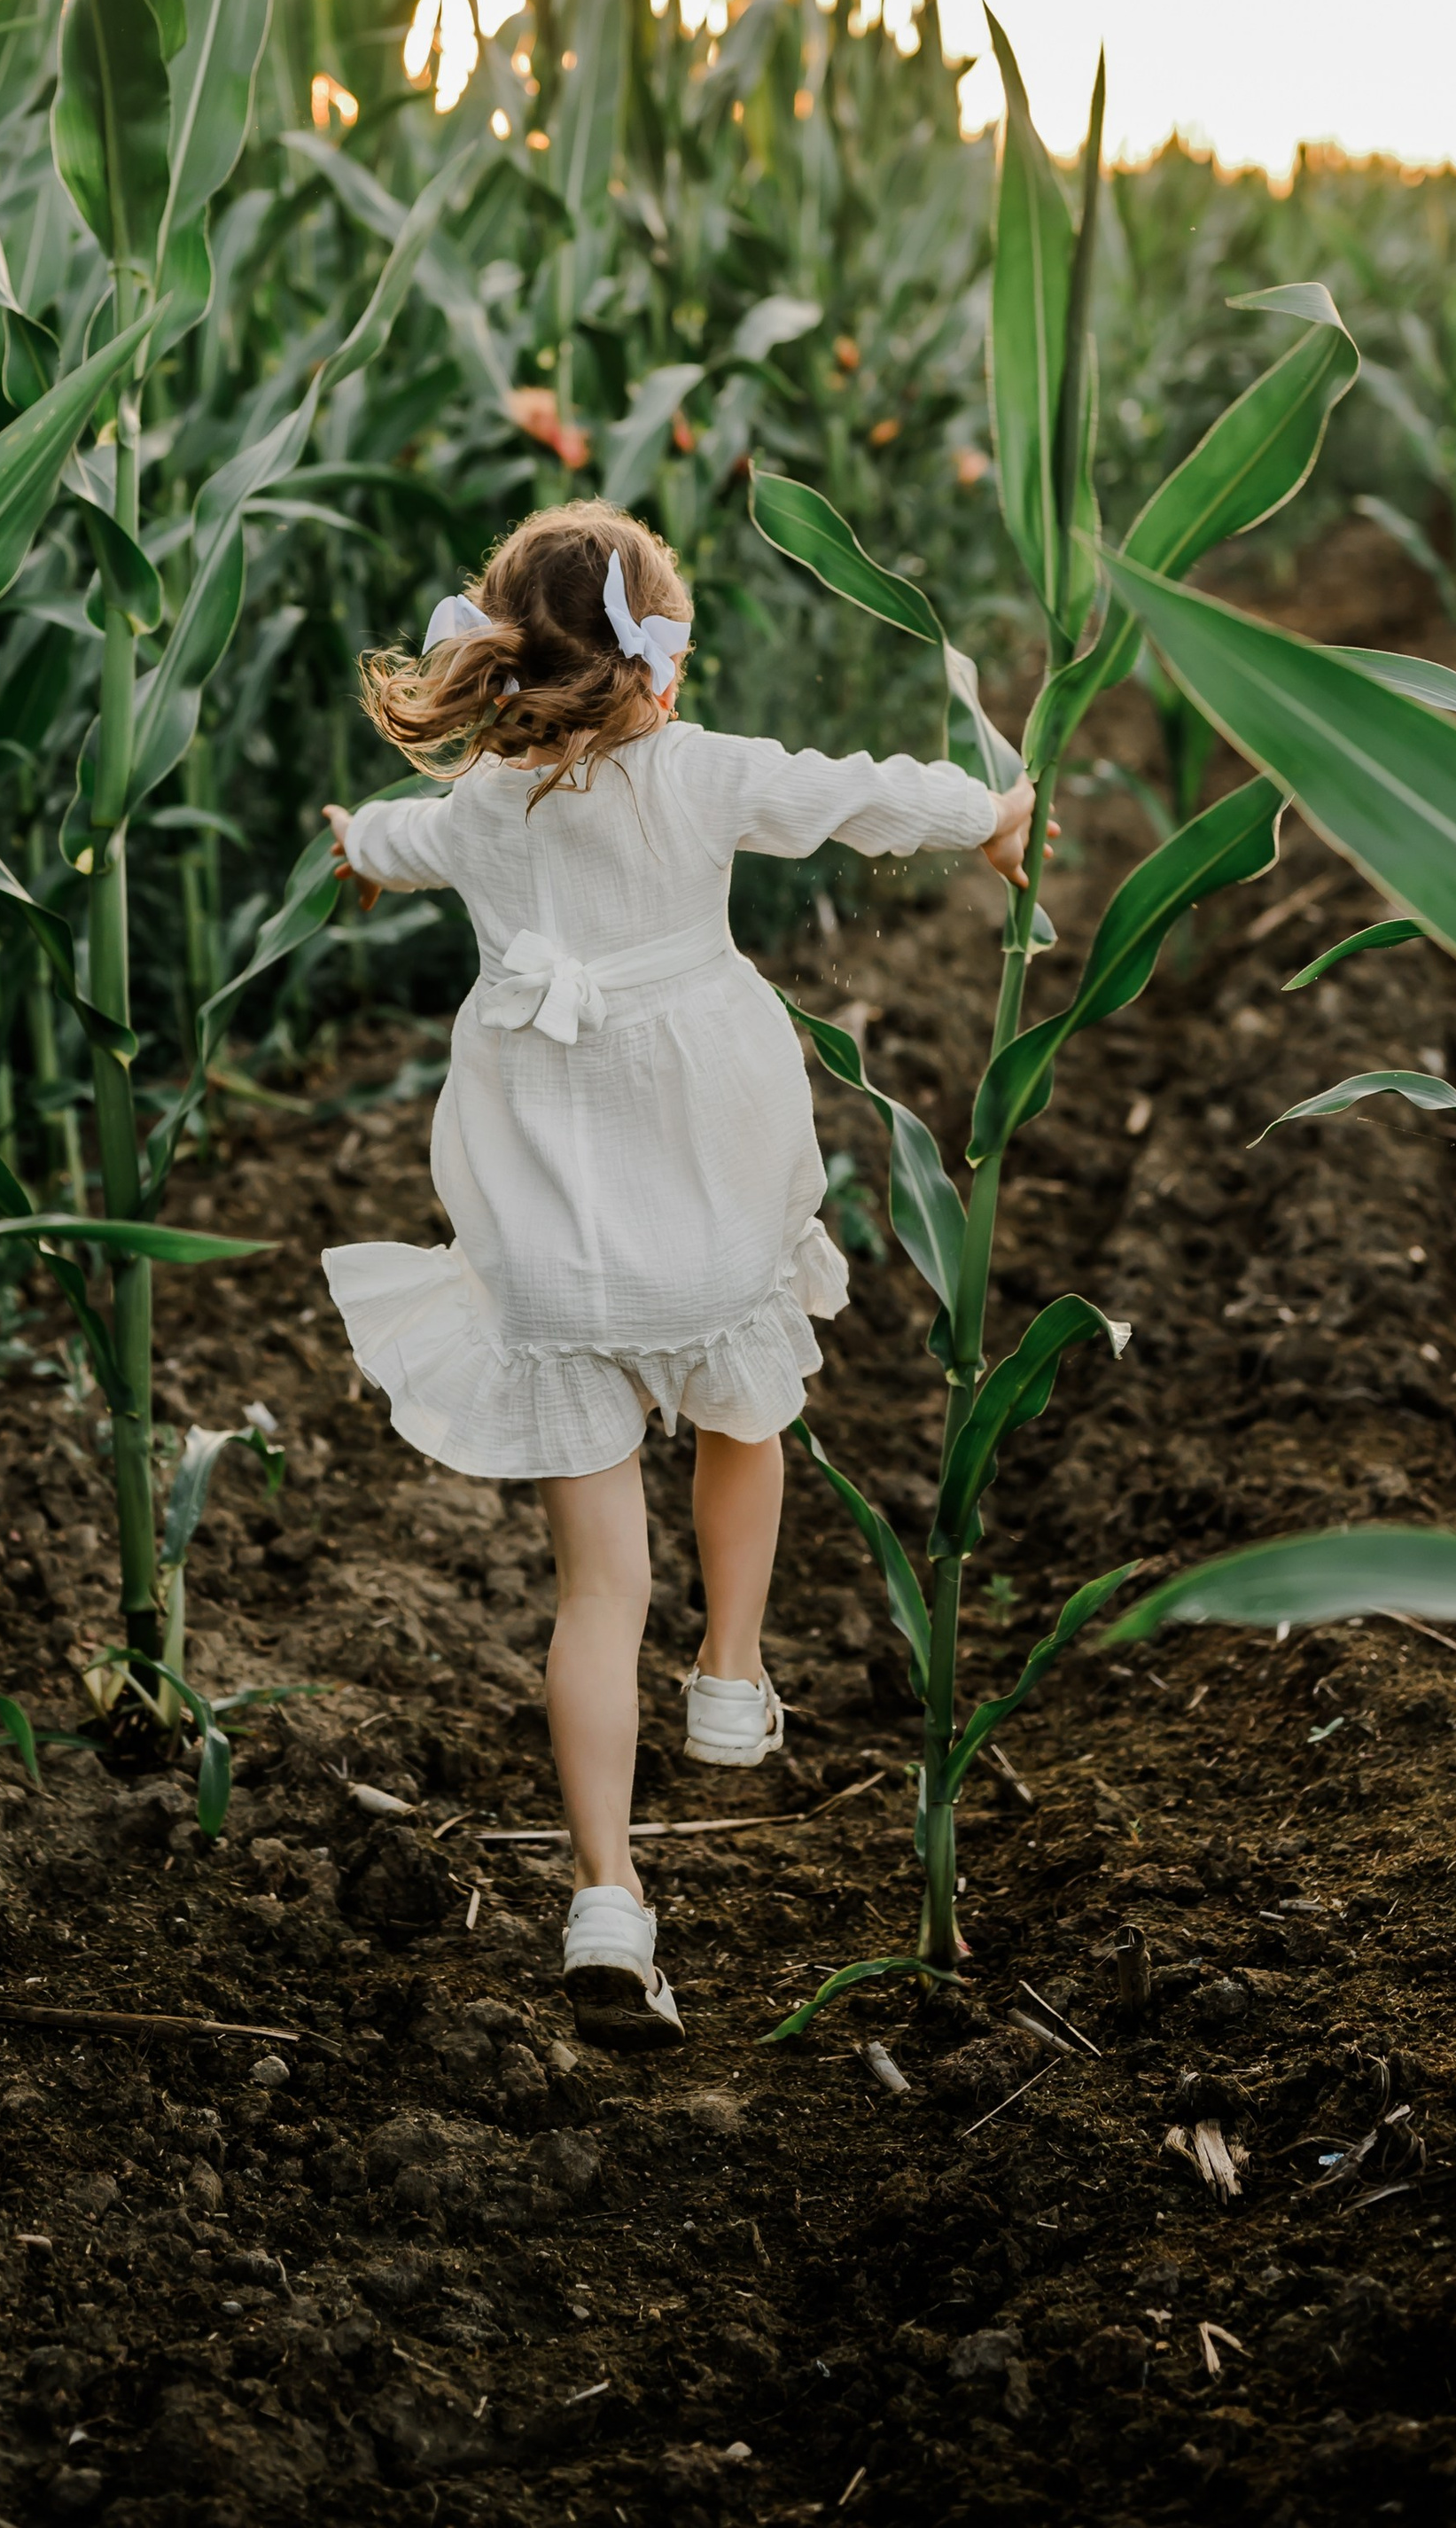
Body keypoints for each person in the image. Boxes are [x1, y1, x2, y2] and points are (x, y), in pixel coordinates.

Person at [319, 500, 1040, 2048]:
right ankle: (730, 1668)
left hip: (553, 1257)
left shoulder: (477, 815)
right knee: (745, 1418)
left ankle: (605, 1893)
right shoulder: (702, 773)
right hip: (702, 1211)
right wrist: (988, 811)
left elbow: (387, 835)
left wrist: (350, 850)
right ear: (659, 656)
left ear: (504, 659)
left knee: (595, 1590)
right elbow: (855, 797)